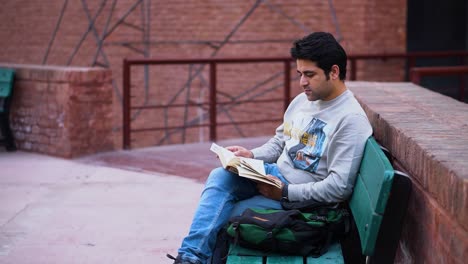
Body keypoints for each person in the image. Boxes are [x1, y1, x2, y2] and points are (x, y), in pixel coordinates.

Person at [167, 32, 372, 264]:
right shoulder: (303, 101)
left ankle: (193, 258)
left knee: (226, 214)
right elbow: (280, 142)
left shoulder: (350, 119)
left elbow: (338, 188)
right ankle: (190, 258)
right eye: (300, 74)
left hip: (304, 202)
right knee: (221, 176)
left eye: (310, 74)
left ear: (334, 72)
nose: (302, 82)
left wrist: (284, 191)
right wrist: (251, 155)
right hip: (275, 180)